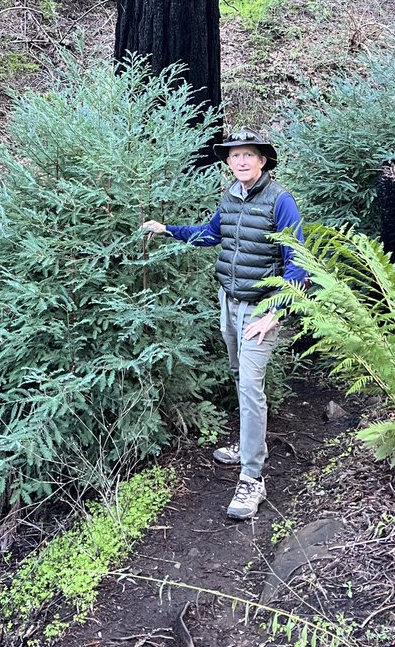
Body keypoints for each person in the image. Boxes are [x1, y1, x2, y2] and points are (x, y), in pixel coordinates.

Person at [141, 127, 306, 520]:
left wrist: (275, 314)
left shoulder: (280, 201)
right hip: (228, 302)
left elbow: (298, 261)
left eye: (249, 155)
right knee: (238, 375)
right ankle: (248, 444)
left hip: (261, 309)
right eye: (235, 156)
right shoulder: (229, 198)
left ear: (263, 160)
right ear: (228, 163)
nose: (242, 161)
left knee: (250, 385)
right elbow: (210, 235)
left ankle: (253, 477)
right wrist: (168, 231)